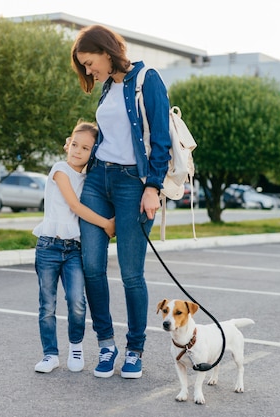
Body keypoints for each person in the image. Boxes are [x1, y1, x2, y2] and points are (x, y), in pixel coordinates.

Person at [70, 25, 172, 379]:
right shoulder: (107, 89)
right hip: (98, 179)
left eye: (88, 62)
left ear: (106, 50)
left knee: (131, 274)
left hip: (133, 184)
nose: (87, 71)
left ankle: (134, 349)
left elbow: (160, 138)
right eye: (83, 66)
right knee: (92, 267)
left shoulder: (147, 78)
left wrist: (153, 187)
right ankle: (106, 344)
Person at [32, 120, 116, 373]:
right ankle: (50, 354)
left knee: (77, 300)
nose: (78, 151)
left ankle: (76, 347)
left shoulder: (89, 178)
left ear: (93, 153)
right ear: (67, 144)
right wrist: (107, 224)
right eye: (75, 144)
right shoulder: (59, 170)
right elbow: (75, 206)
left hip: (73, 250)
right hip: (48, 247)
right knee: (47, 304)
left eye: (86, 148)